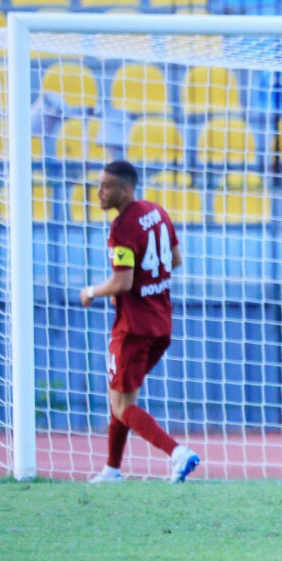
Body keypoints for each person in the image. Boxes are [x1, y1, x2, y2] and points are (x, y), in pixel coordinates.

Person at [79, 160, 200, 484]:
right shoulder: (156, 212)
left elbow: (123, 283)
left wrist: (91, 291)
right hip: (160, 324)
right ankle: (111, 470)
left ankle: (178, 453)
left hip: (132, 328)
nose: (99, 192)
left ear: (125, 189)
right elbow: (176, 259)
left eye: (106, 186)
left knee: (121, 404)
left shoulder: (121, 228)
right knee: (121, 397)